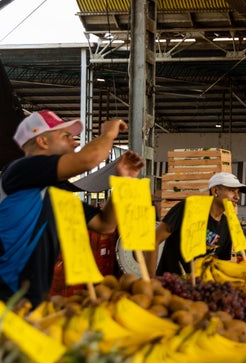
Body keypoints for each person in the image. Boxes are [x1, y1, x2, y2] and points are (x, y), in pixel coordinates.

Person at [0, 110, 144, 307]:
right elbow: (88, 159)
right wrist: (108, 134)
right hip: (5, 296)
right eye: (66, 136)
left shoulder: (55, 193)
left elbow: (105, 224)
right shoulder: (20, 170)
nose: (75, 143)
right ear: (42, 141)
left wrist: (122, 182)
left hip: (31, 299)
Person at [147, 172, 246, 276]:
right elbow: (153, 240)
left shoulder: (228, 225)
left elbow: (221, 264)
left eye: (238, 192)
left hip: (201, 288)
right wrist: (150, 279)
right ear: (215, 191)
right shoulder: (188, 209)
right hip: (171, 285)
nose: (237, 197)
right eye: (232, 191)